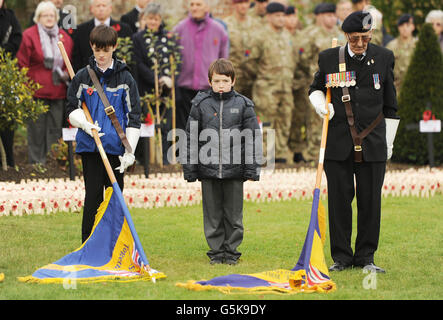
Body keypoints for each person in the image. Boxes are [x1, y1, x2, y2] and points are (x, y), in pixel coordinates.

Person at [309, 11, 400, 273]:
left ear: (371, 35)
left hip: (373, 142)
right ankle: (341, 257)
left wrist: (389, 143)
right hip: (338, 141)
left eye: (365, 38)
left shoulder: (383, 57)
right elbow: (315, 88)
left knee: (370, 201)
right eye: (355, 38)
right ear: (346, 35)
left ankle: (366, 257)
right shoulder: (329, 58)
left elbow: (390, 104)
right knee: (339, 200)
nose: (360, 44)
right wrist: (319, 105)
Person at [182, 58, 262, 265]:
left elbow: (252, 138)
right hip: (207, 171)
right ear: (210, 81)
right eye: (216, 81)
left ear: (233, 81)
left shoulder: (244, 105)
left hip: (234, 171)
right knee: (212, 215)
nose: (221, 85)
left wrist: (252, 169)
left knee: (234, 216)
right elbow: (190, 136)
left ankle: (232, 252)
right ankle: (216, 253)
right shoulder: (200, 104)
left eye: (225, 81)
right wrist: (190, 168)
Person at [66, 25, 141, 243]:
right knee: (93, 198)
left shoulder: (126, 79)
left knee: (114, 199)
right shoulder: (82, 76)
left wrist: (130, 152)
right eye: (97, 50)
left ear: (114, 48)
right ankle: (88, 244)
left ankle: (114, 244)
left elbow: (134, 116)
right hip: (91, 148)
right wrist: (84, 124)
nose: (101, 55)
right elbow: (71, 108)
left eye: (105, 50)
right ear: (91, 47)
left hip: (116, 150)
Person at [17, 0, 73, 165]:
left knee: (55, 128)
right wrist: (25, 89)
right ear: (38, 17)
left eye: (52, 15)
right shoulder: (29, 35)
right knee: (36, 128)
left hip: (58, 90)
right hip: (36, 91)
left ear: (56, 17)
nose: (49, 18)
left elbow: (69, 62)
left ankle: (52, 162)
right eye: (45, 15)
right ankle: (36, 163)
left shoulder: (65, 38)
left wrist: (65, 74)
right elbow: (22, 64)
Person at [243, 2, 296, 164]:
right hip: (266, 88)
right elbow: (250, 62)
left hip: (285, 87)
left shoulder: (287, 36)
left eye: (283, 16)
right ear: (269, 17)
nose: (281, 19)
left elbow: (293, 59)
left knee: (284, 120)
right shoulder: (259, 36)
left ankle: (280, 154)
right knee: (266, 122)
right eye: (277, 16)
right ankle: (266, 155)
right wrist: (262, 78)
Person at [291, 3, 342, 164]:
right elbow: (302, 58)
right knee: (315, 117)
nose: (332, 18)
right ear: (319, 16)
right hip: (317, 81)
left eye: (334, 15)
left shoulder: (341, 35)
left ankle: (334, 151)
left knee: (338, 116)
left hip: (339, 83)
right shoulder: (310, 34)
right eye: (328, 15)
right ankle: (314, 153)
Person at [132, 2, 181, 165]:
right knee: (148, 124)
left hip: (167, 91)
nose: (153, 22)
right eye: (150, 19)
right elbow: (139, 64)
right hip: (147, 90)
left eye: (156, 19)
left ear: (160, 20)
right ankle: (148, 160)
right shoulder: (137, 38)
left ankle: (165, 160)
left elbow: (177, 62)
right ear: (145, 19)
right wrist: (157, 78)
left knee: (166, 125)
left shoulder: (169, 37)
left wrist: (170, 79)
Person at [173, 0, 229, 131]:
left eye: (198, 4)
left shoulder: (219, 30)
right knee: (185, 128)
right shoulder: (179, 28)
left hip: (209, 89)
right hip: (184, 89)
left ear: (207, 7)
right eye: (192, 4)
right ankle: (185, 152)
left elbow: (224, 60)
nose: (194, 8)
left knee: (208, 128)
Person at [72, 0, 132, 72]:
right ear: (91, 9)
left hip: (117, 75)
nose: (101, 9)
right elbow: (77, 59)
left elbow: (131, 57)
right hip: (88, 77)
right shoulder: (81, 30)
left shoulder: (124, 29)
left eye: (104, 5)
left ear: (110, 8)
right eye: (98, 6)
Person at [0, 0, 22, 169]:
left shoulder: (10, 16)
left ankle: (8, 162)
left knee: (7, 120)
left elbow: (16, 40)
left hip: (5, 72)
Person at [223, 0, 259, 99]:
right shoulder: (226, 24)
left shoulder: (256, 24)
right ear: (234, 4)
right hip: (234, 74)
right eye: (240, 3)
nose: (243, 6)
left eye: (246, 2)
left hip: (252, 75)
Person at [386, 14, 417, 94]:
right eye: (402, 25)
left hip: (415, 89)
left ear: (413, 27)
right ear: (398, 27)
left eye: (408, 25)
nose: (404, 28)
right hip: (396, 89)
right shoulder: (391, 46)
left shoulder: (419, 45)